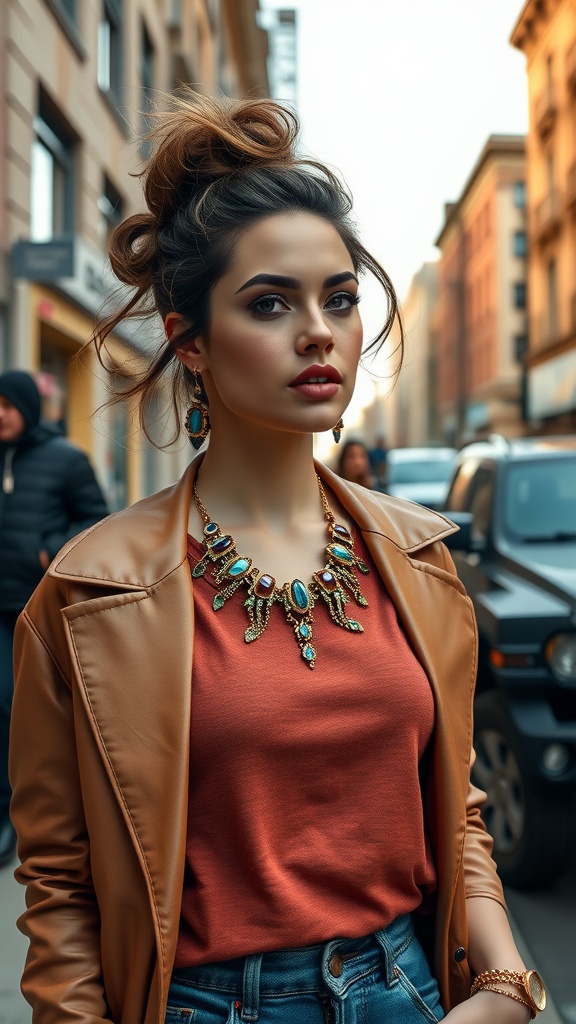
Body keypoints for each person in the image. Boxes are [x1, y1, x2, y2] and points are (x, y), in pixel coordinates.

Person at [9, 96, 546, 1024]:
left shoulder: (418, 558)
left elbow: (457, 808)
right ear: (191, 343)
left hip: (411, 991)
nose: (318, 331)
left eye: (339, 298)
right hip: (205, 1005)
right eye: (270, 302)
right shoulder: (89, 592)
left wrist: (505, 983)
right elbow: (59, 885)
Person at [0, 369, 108, 868]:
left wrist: (53, 550)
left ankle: (35, 815)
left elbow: (95, 519)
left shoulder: (65, 460)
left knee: (32, 711)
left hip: (36, 609)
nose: (0, 414)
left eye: (7, 404)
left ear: (27, 405)